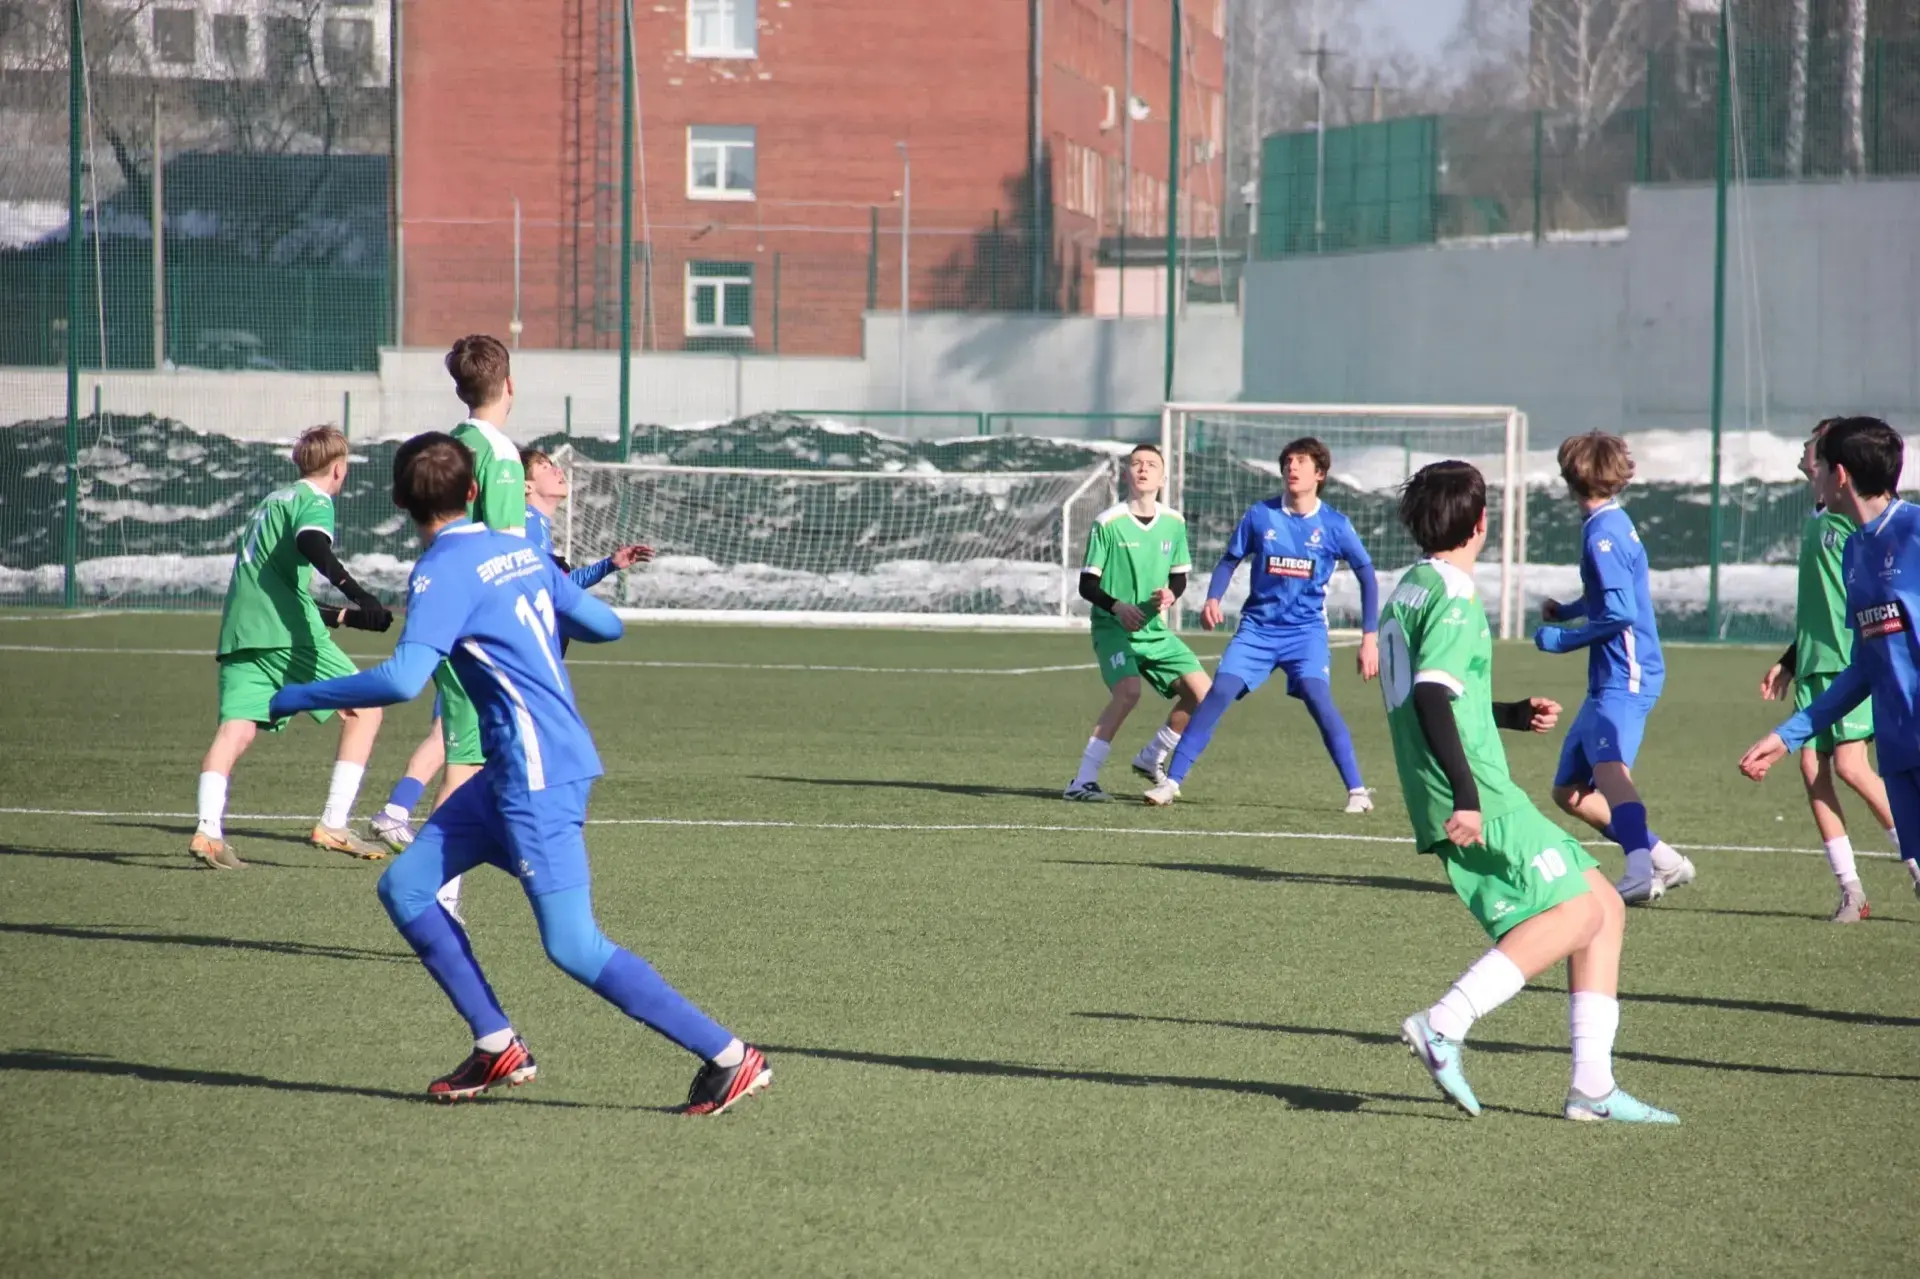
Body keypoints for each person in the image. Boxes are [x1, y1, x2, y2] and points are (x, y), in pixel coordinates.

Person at [269, 432, 771, 1112]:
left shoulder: (439, 573)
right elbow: (607, 627)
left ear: (398, 503)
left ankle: (730, 1057)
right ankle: (496, 1043)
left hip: (536, 774)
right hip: (512, 770)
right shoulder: (518, 549)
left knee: (573, 944)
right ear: (474, 490)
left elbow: (404, 679)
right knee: (406, 887)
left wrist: (298, 695)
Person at [1387, 460, 1676, 1124]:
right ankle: (1444, 1022)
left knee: (1604, 903)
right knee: (1575, 911)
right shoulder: (1455, 596)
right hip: (1475, 789)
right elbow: (1430, 695)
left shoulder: (1411, 587)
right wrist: (1466, 795)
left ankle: (1592, 1087)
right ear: (1481, 523)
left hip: (1456, 779)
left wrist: (1509, 713)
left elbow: (1440, 693)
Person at [368, 337, 528, 925]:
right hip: (479, 626)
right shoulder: (499, 454)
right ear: (509, 385)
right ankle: (438, 893)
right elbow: (509, 552)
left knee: (468, 753)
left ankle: (444, 887)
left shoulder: (451, 445)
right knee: (465, 760)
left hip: (446, 610)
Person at [191, 425, 392, 869]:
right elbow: (311, 543)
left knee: (236, 730)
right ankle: (334, 824)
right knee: (366, 709)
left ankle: (207, 831)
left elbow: (277, 585)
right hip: (286, 634)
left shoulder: (271, 502)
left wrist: (345, 616)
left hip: (242, 632)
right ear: (338, 469)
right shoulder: (315, 500)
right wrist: (360, 594)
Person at [1144, 437, 1378, 811]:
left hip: (1305, 634)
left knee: (1318, 698)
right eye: (1288, 461)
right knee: (1218, 693)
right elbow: (1229, 560)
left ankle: (1358, 792)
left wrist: (1369, 637)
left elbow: (1366, 572)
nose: (1292, 467)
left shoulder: (1335, 525)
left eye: (1301, 461)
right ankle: (1170, 783)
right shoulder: (1261, 515)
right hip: (1257, 631)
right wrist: (1213, 598)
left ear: (1319, 473)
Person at [1740, 416, 1920, 901]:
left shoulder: (1915, 533)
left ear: (1839, 474)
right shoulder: (1856, 551)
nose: (1811, 472)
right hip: (1901, 752)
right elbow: (1866, 665)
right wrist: (1788, 735)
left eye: (1818, 463)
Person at [1535, 432, 1694, 905]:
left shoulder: (1602, 533)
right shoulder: (1610, 523)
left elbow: (1621, 612)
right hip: (1609, 677)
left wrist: (1564, 639)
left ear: (1569, 476)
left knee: (1610, 773)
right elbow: (1612, 596)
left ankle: (1639, 871)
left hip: (1626, 673)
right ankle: (1665, 860)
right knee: (1569, 790)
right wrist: (1568, 611)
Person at [1063, 444, 1212, 800]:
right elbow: (1087, 585)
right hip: (1114, 627)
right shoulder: (1108, 523)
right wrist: (1117, 607)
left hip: (1154, 630)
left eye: (1151, 465)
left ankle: (1152, 756)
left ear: (1163, 477)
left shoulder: (1174, 523)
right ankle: (1082, 782)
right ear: (1127, 475)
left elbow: (1179, 576)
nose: (1143, 469)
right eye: (1136, 464)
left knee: (1205, 694)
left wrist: (1172, 594)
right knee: (1129, 692)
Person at [521, 447, 653, 600]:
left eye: (552, 466)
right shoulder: (525, 523)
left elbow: (559, 586)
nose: (558, 470)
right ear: (527, 486)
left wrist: (609, 564)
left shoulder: (536, 523)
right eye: (545, 468)